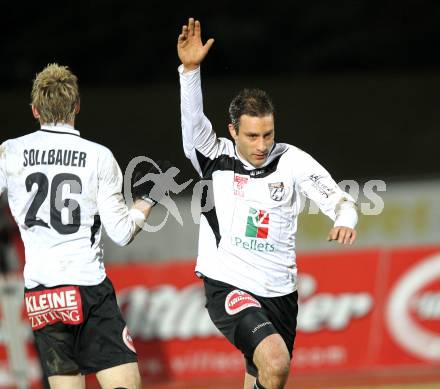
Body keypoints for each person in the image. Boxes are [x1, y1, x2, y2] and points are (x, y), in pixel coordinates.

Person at [177, 18, 358, 389]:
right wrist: (190, 71)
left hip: (281, 293)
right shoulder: (215, 156)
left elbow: (337, 198)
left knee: (265, 377)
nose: (261, 145)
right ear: (233, 132)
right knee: (275, 361)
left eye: (268, 134)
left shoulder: (291, 159)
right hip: (228, 284)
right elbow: (193, 123)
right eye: (252, 136)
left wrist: (346, 218)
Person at [0, 63, 165, 389]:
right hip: (88, 288)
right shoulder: (98, 156)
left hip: (41, 293)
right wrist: (148, 197)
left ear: (34, 110)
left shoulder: (10, 152)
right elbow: (122, 232)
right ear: (77, 106)